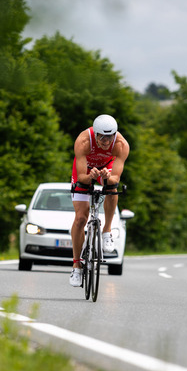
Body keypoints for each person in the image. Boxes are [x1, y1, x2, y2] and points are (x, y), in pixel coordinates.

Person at [69, 114, 130, 287]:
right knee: (81, 218)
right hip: (85, 170)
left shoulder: (121, 145)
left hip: (106, 168)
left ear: (115, 134)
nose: (106, 141)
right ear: (95, 134)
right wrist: (90, 176)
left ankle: (106, 230)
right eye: (102, 137)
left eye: (110, 136)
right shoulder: (83, 141)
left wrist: (107, 177)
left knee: (112, 188)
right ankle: (76, 265)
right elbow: (81, 177)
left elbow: (116, 178)